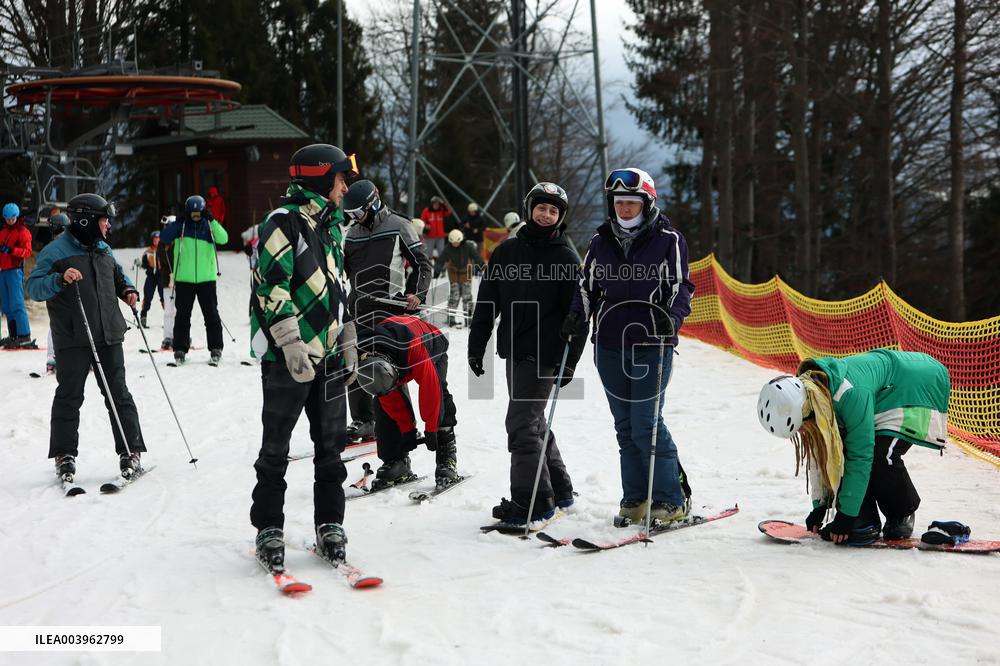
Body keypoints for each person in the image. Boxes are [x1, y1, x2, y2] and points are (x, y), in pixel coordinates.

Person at [248, 143, 359, 571]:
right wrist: (290, 341)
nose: (345, 185)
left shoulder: (331, 226)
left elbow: (339, 288)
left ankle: (330, 523)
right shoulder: (283, 223)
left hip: (329, 355)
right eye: (339, 177)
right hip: (288, 358)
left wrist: (347, 334)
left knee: (331, 449)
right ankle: (268, 528)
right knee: (275, 449)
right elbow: (270, 286)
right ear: (318, 178)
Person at [562, 168, 695, 525]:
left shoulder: (668, 239)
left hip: (652, 341)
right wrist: (578, 317)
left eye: (631, 203)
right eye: (619, 203)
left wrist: (673, 317)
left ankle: (671, 500)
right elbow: (586, 286)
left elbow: (682, 285)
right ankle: (636, 498)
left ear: (646, 204)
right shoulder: (600, 240)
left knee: (646, 424)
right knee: (625, 426)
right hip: (608, 343)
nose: (624, 209)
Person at [469, 182, 586, 524]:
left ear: (560, 217)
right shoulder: (506, 252)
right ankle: (560, 492)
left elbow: (580, 315)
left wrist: (571, 361)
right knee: (533, 424)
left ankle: (532, 503)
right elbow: (487, 301)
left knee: (520, 427)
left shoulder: (566, 257)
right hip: (516, 352)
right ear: (529, 209)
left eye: (554, 211)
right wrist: (477, 347)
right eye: (541, 208)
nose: (546, 214)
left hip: (546, 353)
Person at [756, 349, 951, 545]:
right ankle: (865, 520)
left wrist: (846, 516)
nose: (801, 433)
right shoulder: (813, 395)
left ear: (804, 411)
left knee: (879, 455)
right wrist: (820, 506)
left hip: (915, 386)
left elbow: (861, 454)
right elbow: (824, 456)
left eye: (800, 427)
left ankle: (901, 513)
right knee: (843, 451)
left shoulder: (847, 393)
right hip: (885, 390)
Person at [26, 193, 147, 482]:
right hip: (73, 338)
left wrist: (128, 290)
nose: (108, 226)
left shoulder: (103, 248)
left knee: (119, 393)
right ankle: (64, 455)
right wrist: (59, 278)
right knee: (69, 397)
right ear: (87, 221)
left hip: (108, 334)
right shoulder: (55, 252)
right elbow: (33, 288)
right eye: (104, 220)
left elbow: (117, 276)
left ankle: (131, 451)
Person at [342, 180, 433, 448]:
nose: (355, 219)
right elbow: (346, 269)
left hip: (389, 308)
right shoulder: (353, 233)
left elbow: (422, 264)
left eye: (358, 213)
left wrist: (417, 293)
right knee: (355, 363)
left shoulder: (399, 225)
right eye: (350, 216)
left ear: (373, 201)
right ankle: (363, 419)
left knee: (386, 367)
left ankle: (403, 424)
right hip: (359, 307)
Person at [355, 314, 460, 490]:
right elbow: (389, 397)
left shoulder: (413, 348)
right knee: (382, 401)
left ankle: (446, 457)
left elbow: (430, 390)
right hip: (391, 351)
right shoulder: (364, 356)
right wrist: (407, 431)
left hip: (431, 344)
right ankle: (396, 460)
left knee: (440, 395)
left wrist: (431, 430)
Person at [158, 195, 228, 365]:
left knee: (211, 315)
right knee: (182, 316)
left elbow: (224, 239)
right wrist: (177, 222)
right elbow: (164, 237)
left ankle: (216, 348)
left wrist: (213, 221)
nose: (195, 217)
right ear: (187, 212)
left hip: (207, 279)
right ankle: (180, 349)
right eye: (192, 214)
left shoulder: (209, 226)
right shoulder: (181, 226)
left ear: (203, 212)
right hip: (184, 279)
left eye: (199, 213)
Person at [0, 202, 37, 348]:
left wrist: (11, 250)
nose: (10, 221)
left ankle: (24, 335)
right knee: (7, 305)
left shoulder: (23, 232)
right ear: (4, 218)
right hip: (3, 271)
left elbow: (27, 252)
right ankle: (14, 335)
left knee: (17, 303)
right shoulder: (2, 232)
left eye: (12, 218)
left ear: (17, 217)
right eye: (7, 219)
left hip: (15, 271)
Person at [435, 229, 484, 327]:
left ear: (460, 240)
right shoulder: (448, 248)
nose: (455, 244)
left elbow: (476, 256)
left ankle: (469, 320)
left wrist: (481, 264)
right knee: (454, 297)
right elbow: (441, 260)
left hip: (466, 274)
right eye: (453, 243)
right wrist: (437, 271)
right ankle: (451, 319)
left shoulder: (467, 247)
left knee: (467, 297)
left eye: (457, 242)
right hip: (453, 274)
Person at [135, 231, 163, 328]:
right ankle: (143, 318)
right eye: (154, 239)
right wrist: (139, 264)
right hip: (151, 277)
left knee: (164, 297)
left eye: (158, 239)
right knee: (148, 296)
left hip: (161, 276)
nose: (156, 240)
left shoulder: (164, 250)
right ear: (152, 240)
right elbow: (144, 264)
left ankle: (170, 320)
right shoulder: (147, 252)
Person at [157, 216, 177, 350]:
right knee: (169, 310)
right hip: (167, 280)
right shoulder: (162, 243)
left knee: (181, 310)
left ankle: (181, 335)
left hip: (182, 280)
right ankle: (168, 336)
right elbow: (163, 260)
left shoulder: (180, 241)